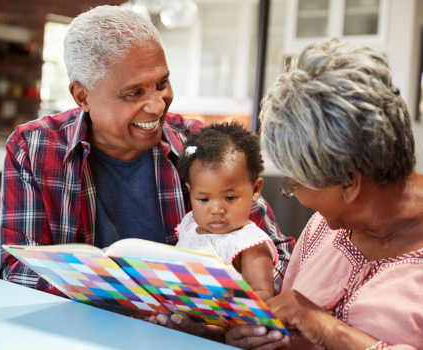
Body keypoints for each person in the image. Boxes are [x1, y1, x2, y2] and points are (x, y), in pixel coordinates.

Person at [0, 6, 294, 298]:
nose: (158, 105)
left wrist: (248, 302)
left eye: (162, 83)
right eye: (134, 93)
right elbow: (18, 270)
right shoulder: (33, 148)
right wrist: (128, 299)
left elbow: (279, 254)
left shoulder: (201, 146)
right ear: (81, 96)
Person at [153, 38, 423, 349]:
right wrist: (230, 334)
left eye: (294, 184)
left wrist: (327, 330)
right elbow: (285, 328)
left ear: (349, 183)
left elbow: (310, 323)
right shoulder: (324, 229)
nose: (293, 193)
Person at [175, 122, 277, 301]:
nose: (216, 210)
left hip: (222, 324)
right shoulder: (190, 225)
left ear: (255, 190)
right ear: (190, 191)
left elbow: (264, 296)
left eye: (229, 198)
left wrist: (220, 303)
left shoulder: (249, 244)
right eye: (204, 199)